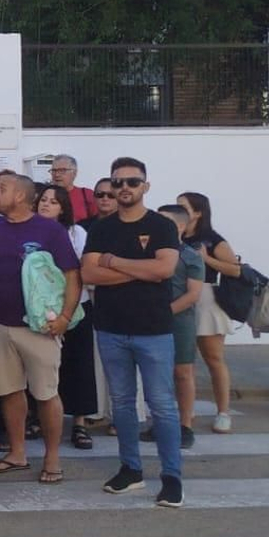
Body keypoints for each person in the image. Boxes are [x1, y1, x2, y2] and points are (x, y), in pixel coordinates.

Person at [0, 172, 79, 484]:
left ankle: (52, 458)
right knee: (9, 391)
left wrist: (64, 317)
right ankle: (17, 453)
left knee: (46, 394)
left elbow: (73, 275)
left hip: (40, 327)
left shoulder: (50, 231)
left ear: (21, 196)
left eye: (3, 189)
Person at [81, 158, 184, 508]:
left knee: (162, 406)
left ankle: (172, 477)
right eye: (118, 182)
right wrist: (142, 270)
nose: (124, 188)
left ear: (145, 186)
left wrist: (115, 262)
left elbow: (165, 269)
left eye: (132, 182)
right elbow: (90, 275)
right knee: (122, 404)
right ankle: (131, 469)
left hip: (153, 330)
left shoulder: (162, 226)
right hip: (111, 328)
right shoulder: (101, 228)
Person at [37, 183, 97, 448]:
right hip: (40, 310)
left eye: (53, 201)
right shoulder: (30, 231)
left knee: (78, 365)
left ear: (64, 208)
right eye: (43, 199)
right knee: (45, 368)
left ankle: (80, 423)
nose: (46, 204)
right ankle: (42, 420)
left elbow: (81, 268)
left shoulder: (77, 232)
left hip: (75, 308)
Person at [177, 191, 239, 433]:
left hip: (206, 299)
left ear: (199, 212)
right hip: (180, 296)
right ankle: (186, 409)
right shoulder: (176, 235)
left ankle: (223, 411)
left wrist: (207, 259)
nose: (180, 210)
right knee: (183, 362)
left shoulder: (213, 240)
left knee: (213, 359)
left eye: (185, 207)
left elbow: (235, 270)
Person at [152, 204, 206, 451]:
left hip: (179, 322)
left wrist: (164, 313)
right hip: (150, 321)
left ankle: (185, 425)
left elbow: (193, 294)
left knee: (182, 373)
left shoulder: (190, 256)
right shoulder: (151, 253)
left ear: (181, 226)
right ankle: (160, 422)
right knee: (155, 374)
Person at [48, 154, 98, 224]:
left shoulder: (87, 195)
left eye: (62, 170)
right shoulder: (45, 196)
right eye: (54, 170)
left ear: (74, 173)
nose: (57, 175)